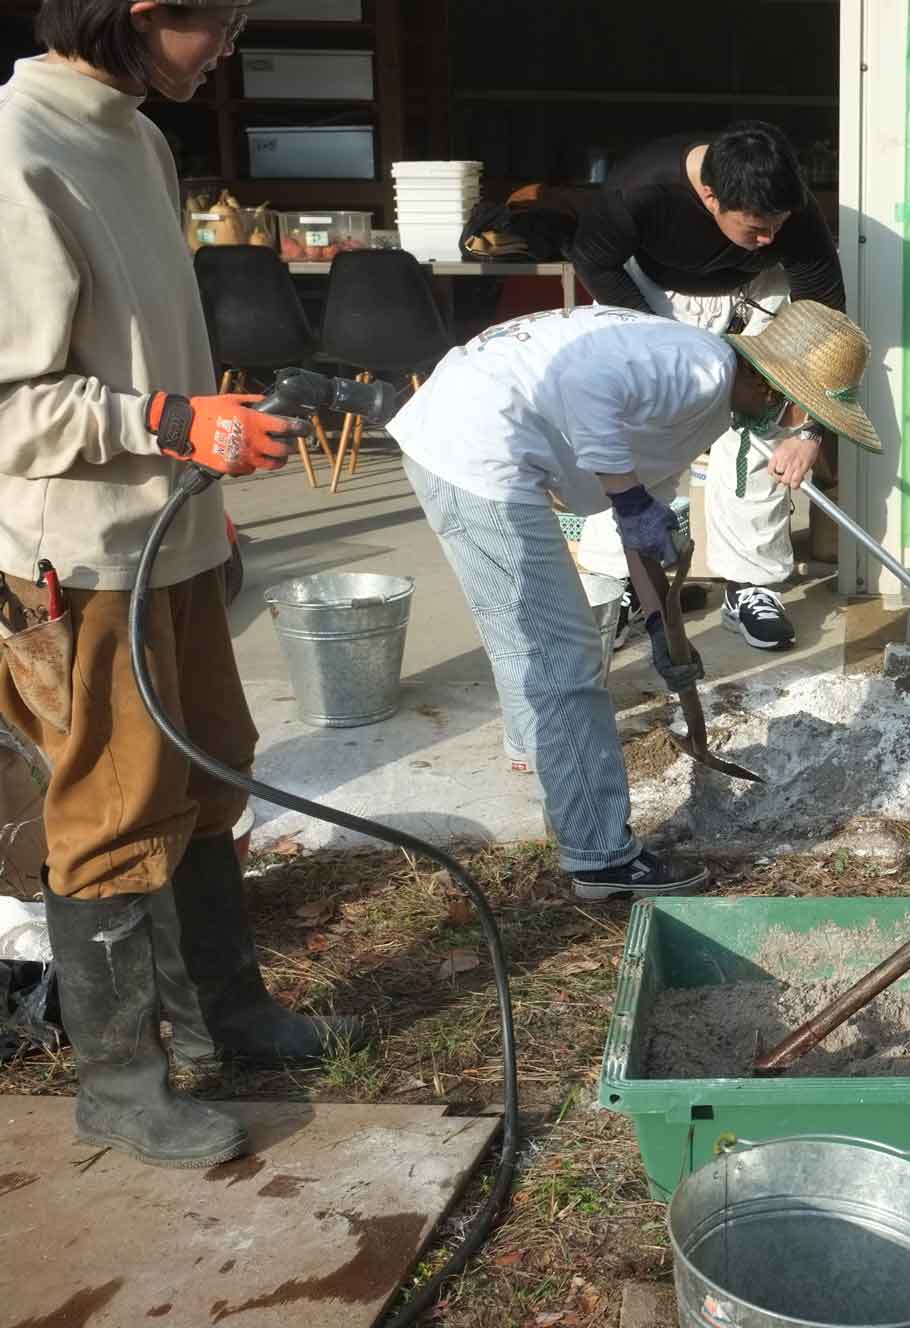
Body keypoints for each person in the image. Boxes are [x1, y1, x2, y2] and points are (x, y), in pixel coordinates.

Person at [0, 0, 362, 1171]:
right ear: (139, 12)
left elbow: (152, 350)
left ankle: (228, 1023)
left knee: (209, 765)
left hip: (176, 528)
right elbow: (12, 403)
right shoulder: (18, 146)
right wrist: (168, 420)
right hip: (83, 553)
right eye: (214, 21)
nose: (228, 50)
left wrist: (210, 434)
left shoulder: (136, 131)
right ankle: (119, 1084)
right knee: (110, 810)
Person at [386, 300, 876, 901]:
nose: (785, 422)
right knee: (559, 656)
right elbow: (582, 384)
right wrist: (626, 498)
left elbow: (643, 503)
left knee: (529, 635)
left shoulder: (705, 391)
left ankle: (538, 756)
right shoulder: (697, 371)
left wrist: (659, 617)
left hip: (473, 429)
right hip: (476, 448)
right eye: (790, 406)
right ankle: (602, 861)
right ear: (766, 378)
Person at [569, 122, 843, 651]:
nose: (771, 238)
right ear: (710, 196)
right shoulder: (638, 191)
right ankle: (621, 583)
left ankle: (752, 585)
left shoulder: (793, 215)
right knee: (643, 430)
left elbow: (825, 322)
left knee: (757, 428)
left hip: (756, 295)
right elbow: (595, 260)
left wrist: (809, 428)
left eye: (780, 224)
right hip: (654, 294)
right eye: (757, 227)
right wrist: (656, 338)